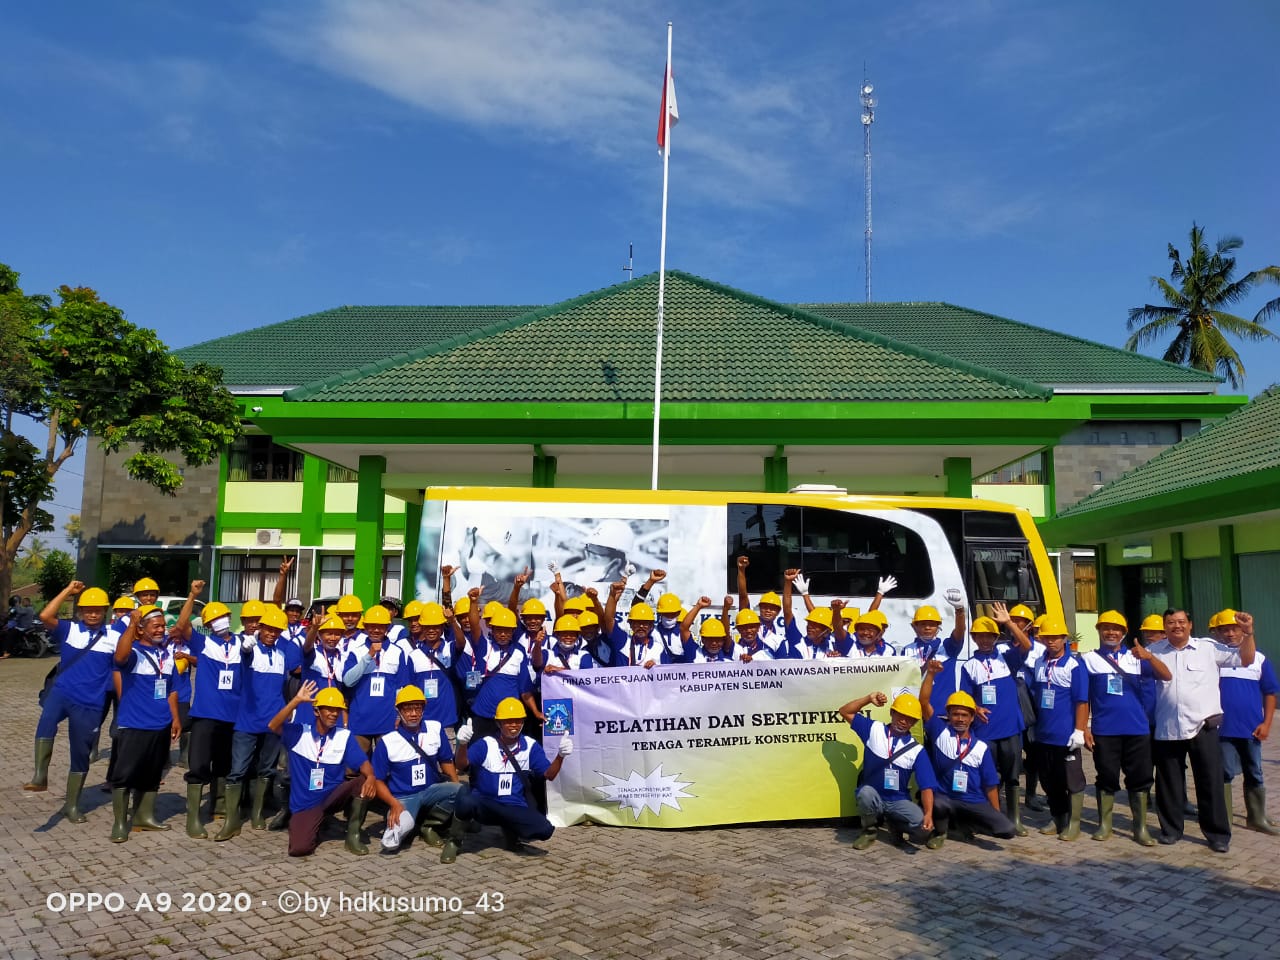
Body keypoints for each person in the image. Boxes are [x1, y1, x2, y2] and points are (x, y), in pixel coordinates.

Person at [1147, 608, 1255, 852]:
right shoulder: (1153, 652)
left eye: (1181, 622)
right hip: (1168, 726)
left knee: (1210, 781)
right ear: (1164, 627)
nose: (1177, 626)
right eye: (1171, 622)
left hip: (1202, 726)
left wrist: (1247, 633)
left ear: (1190, 625)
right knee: (1168, 783)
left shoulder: (1207, 648)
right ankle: (1171, 829)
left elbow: (1245, 659)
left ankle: (1217, 834)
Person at [25, 582, 116, 825]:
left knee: (81, 754)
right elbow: (45, 615)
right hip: (62, 692)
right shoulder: (70, 629)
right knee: (46, 722)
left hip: (91, 703)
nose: (93, 614)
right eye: (88, 609)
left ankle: (72, 805)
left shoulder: (114, 636)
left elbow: (128, 656)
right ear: (80, 611)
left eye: (98, 610)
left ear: (105, 611)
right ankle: (40, 775)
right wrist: (66, 590)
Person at [1079, 610, 1167, 845]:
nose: (1111, 632)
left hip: (1137, 730)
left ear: (1124, 633)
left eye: (1116, 628)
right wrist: (1084, 729)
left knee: (1140, 778)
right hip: (1104, 730)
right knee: (1106, 775)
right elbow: (1083, 698)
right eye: (1106, 627)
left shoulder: (1137, 657)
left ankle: (1140, 827)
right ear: (1098, 630)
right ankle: (1105, 824)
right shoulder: (1089, 659)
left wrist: (1149, 657)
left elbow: (1165, 675)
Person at [215, 606, 302, 841]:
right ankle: (231, 820)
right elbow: (244, 652)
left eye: (276, 630)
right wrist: (249, 643)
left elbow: (299, 662)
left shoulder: (283, 653)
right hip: (247, 722)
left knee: (266, 769)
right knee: (238, 770)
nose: (272, 633)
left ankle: (256, 813)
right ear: (260, 628)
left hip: (273, 723)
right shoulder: (251, 650)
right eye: (268, 629)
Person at [450, 697, 571, 855]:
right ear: (498, 723)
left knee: (544, 829)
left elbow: (549, 775)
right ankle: (454, 841)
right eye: (508, 721)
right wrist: (463, 744)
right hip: (486, 803)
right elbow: (461, 765)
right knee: (465, 799)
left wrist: (560, 756)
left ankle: (511, 832)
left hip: (514, 804)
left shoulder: (530, 746)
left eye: (517, 721)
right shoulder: (486, 744)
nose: (513, 725)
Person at [270, 681, 378, 856]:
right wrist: (296, 701)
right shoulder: (299, 733)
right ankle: (312, 822)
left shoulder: (344, 736)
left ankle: (353, 835)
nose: (334, 713)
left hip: (332, 796)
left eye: (337, 709)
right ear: (316, 711)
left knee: (363, 781)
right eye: (328, 709)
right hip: (306, 805)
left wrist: (371, 776)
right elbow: (273, 726)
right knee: (299, 849)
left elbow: (363, 764)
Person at [174, 585, 244, 838]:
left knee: (224, 765)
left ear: (230, 618)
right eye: (213, 619)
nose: (219, 621)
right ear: (208, 624)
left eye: (222, 617)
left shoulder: (242, 644)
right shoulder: (203, 644)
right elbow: (182, 627)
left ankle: (220, 805)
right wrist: (192, 596)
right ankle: (193, 819)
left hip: (232, 716)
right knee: (199, 765)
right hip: (205, 714)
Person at [107, 605, 181, 842]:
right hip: (135, 724)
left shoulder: (166, 655)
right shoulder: (134, 653)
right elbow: (119, 658)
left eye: (163, 625)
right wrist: (131, 625)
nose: (162, 629)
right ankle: (120, 823)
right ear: (141, 630)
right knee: (125, 775)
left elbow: (171, 690)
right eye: (156, 626)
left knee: (152, 774)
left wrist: (175, 718)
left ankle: (143, 817)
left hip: (160, 724)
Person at [919, 666, 1016, 843]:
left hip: (972, 800)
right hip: (945, 797)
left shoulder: (980, 747)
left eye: (965, 715)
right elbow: (924, 702)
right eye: (955, 714)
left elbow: (990, 784)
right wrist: (931, 674)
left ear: (972, 718)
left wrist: (995, 813)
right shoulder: (939, 732)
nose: (960, 719)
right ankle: (941, 832)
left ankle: (964, 825)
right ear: (948, 715)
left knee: (1006, 829)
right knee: (939, 804)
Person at [958, 604, 1032, 836]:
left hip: (1010, 728)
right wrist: (976, 707)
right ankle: (990, 818)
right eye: (981, 636)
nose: (986, 640)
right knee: (989, 778)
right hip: (985, 731)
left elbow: (1027, 645)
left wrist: (1008, 622)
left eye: (990, 636)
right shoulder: (969, 666)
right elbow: (965, 698)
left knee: (1012, 777)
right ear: (975, 638)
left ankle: (1015, 820)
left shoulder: (1006, 657)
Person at [371, 685, 463, 860]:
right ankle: (412, 823)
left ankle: (429, 826)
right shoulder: (388, 741)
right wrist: (393, 804)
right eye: (407, 709)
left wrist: (455, 784)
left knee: (462, 792)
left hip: (431, 790)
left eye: (417, 708)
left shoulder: (435, 729)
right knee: (391, 842)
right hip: (403, 797)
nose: (413, 713)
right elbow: (378, 780)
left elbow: (445, 761)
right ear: (398, 710)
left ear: (423, 709)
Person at [838, 691, 938, 849]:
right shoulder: (873, 730)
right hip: (874, 796)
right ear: (892, 712)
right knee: (865, 794)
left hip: (898, 800)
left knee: (922, 828)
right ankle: (869, 832)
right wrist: (868, 698)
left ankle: (895, 824)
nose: (904, 721)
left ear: (914, 722)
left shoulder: (917, 750)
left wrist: (928, 814)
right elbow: (845, 711)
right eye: (900, 715)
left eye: (910, 718)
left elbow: (927, 786)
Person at [1214, 609, 1280, 835]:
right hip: (1222, 728)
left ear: (1244, 630)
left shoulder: (1259, 659)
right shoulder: (1214, 658)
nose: (1231, 633)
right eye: (1225, 629)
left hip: (1251, 728)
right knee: (1224, 772)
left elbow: (1270, 693)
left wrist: (1267, 724)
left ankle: (1257, 817)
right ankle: (1224, 817)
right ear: (1218, 633)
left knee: (1255, 771)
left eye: (1235, 628)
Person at [1027, 618, 1090, 840]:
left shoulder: (1074, 664)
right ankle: (1058, 817)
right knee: (1049, 780)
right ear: (1041, 639)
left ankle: (1074, 823)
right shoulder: (1039, 663)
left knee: (1072, 780)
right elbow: (1036, 695)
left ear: (1064, 638)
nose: (1052, 641)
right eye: (1047, 638)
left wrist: (1080, 730)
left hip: (1066, 735)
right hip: (1044, 734)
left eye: (1056, 637)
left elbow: (1082, 701)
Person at [460, 598, 540, 736]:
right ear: (492, 629)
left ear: (513, 631)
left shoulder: (518, 653)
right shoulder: (484, 646)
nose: (503, 634)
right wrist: (473, 602)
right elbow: (474, 625)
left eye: (507, 631)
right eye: (499, 630)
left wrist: (536, 711)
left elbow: (525, 692)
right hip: (483, 714)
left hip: (509, 717)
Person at [341, 604, 411, 755]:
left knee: (385, 769)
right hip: (360, 720)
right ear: (365, 626)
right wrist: (368, 655)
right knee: (356, 769)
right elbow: (348, 681)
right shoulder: (356, 651)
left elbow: (402, 687)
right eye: (371, 626)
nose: (376, 630)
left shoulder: (397, 652)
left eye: (380, 626)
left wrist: (400, 716)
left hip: (387, 721)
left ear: (387, 627)